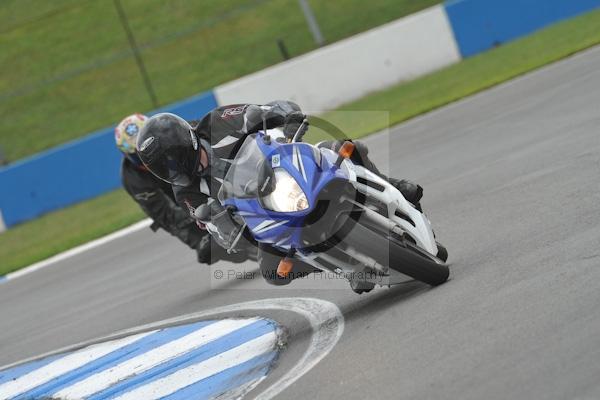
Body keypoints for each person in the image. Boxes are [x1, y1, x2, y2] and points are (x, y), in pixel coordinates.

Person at [135, 102, 423, 284]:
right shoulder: (184, 190)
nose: (171, 169)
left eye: (171, 159)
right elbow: (215, 228)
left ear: (185, 142)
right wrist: (221, 224)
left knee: (343, 149)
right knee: (273, 271)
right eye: (162, 167)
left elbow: (271, 110)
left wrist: (288, 117)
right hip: (265, 215)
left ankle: (394, 184)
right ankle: (346, 267)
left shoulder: (220, 120)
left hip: (288, 168)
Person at [115, 113, 245, 265]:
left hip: (193, 175)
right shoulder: (132, 179)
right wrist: (196, 236)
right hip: (177, 199)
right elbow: (163, 212)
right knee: (207, 248)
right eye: (138, 156)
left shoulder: (178, 130)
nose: (148, 159)